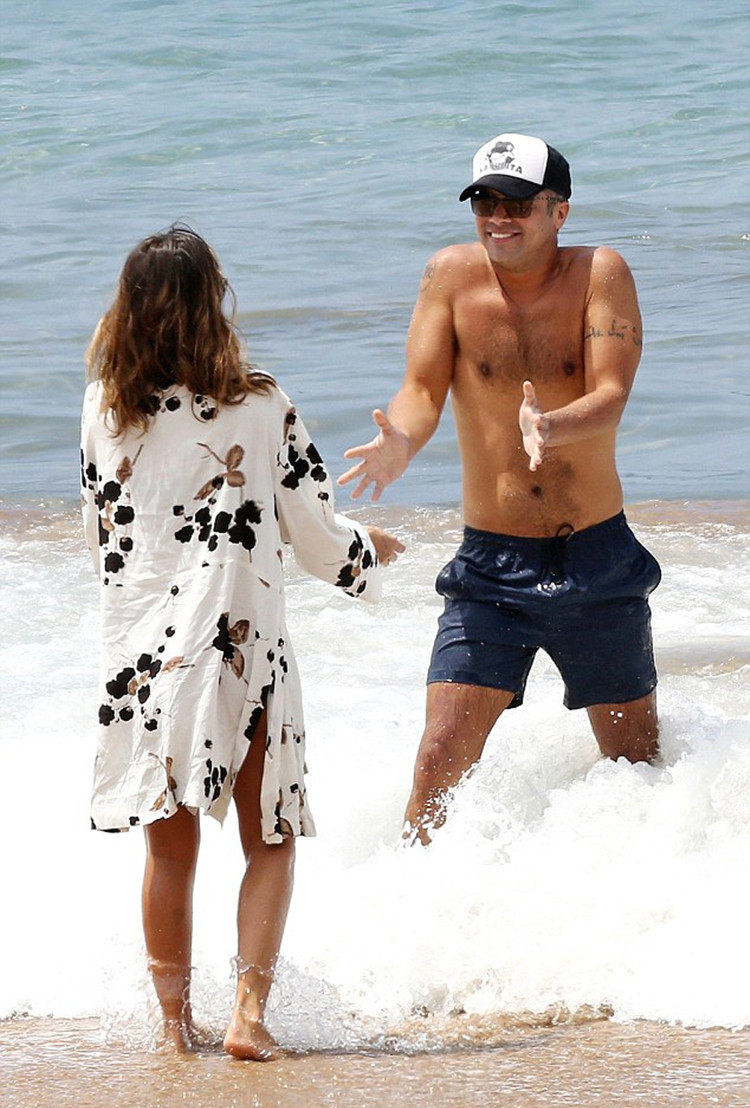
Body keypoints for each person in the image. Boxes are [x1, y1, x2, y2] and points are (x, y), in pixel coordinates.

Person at [80, 225, 404, 1057]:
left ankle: (173, 1028)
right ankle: (248, 1018)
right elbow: (313, 531)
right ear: (212, 303)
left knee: (170, 852)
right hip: (238, 643)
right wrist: (369, 550)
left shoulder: (103, 410)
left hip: (142, 658)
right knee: (269, 836)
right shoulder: (260, 404)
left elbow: (103, 532)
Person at [339, 132, 661, 844]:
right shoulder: (449, 277)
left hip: (598, 559)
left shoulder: (601, 273)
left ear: (559, 211)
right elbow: (422, 390)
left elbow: (610, 393)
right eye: (484, 201)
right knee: (438, 759)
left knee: (637, 767)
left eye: (516, 202)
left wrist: (552, 424)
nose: (498, 216)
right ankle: (407, 893)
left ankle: (636, 889)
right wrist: (399, 440)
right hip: (492, 568)